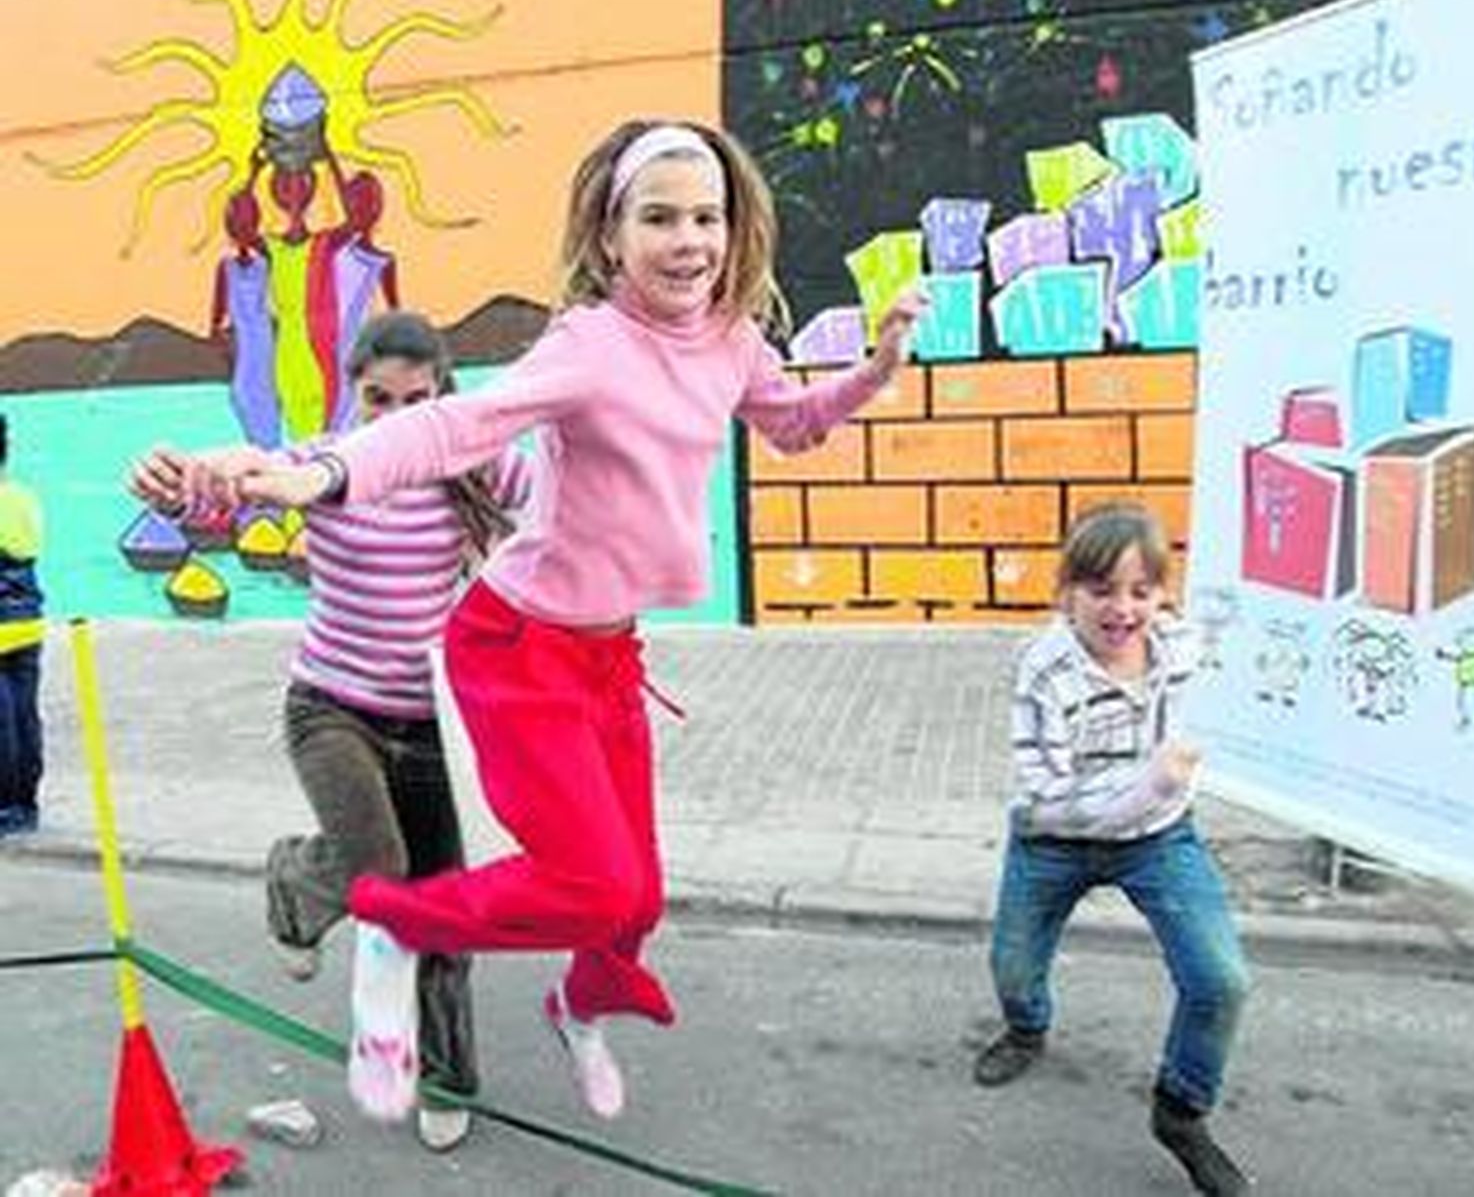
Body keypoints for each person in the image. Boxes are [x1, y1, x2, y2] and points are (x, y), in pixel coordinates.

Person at [177, 118, 926, 1124]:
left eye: (706, 215)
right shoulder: (589, 344)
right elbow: (458, 423)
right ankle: (393, 918)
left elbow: (790, 424)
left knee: (636, 903)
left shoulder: (732, 340)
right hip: (515, 648)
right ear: (610, 235)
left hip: (607, 655)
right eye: (658, 217)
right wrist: (323, 469)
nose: (689, 239)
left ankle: (577, 1006)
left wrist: (874, 369)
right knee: (590, 884)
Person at [130, 312, 544, 1152]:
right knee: (379, 865)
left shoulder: (471, 464)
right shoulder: (321, 463)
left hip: (430, 722)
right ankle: (299, 881)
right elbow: (239, 472)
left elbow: (567, 500)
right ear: (353, 393)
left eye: (414, 399)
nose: (394, 416)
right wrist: (177, 475)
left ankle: (445, 1073)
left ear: (441, 396)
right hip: (331, 708)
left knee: (440, 911)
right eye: (377, 398)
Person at [973, 504, 1252, 1196]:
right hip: (1053, 842)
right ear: (1067, 591)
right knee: (1013, 964)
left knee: (1221, 979)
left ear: (1163, 592)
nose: (1121, 608)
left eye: (1140, 590)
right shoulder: (1041, 667)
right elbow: (1044, 796)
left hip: (1159, 839)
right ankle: (1027, 1028)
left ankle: (1182, 1110)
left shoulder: (1187, 648)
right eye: (1100, 589)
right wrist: (1147, 781)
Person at [0, 414, 45, 837]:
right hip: (28, 620)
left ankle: (6, 810)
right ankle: (26, 804)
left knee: (2, 722)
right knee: (24, 713)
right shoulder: (22, 498)